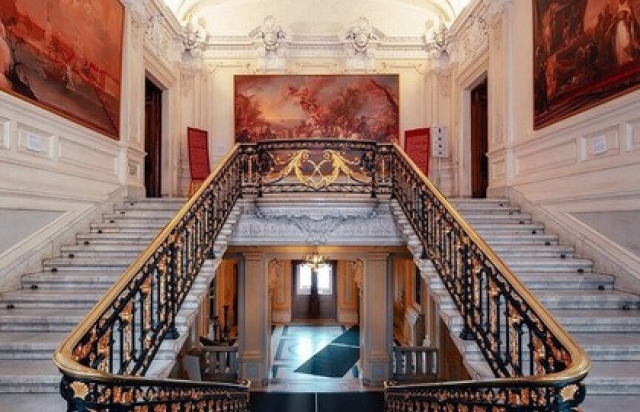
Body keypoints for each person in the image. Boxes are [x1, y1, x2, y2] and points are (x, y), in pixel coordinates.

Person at [613, 0, 640, 66]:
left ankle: (630, 58)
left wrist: (629, 19)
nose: (620, 14)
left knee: (627, 42)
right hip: (621, 29)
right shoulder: (620, 23)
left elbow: (631, 19)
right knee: (622, 45)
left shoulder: (627, 6)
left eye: (622, 13)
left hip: (626, 28)